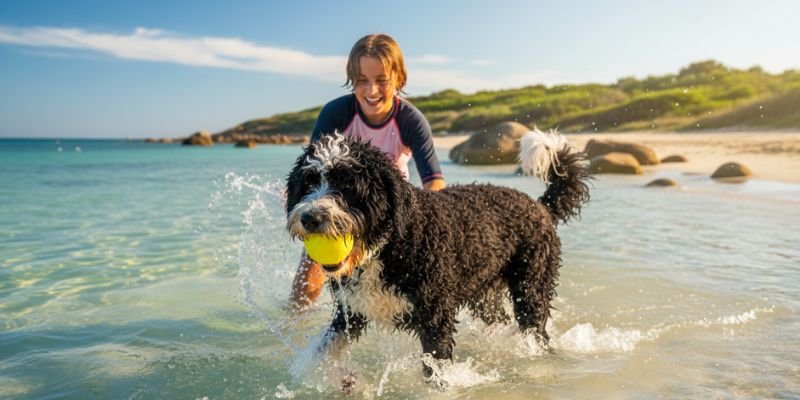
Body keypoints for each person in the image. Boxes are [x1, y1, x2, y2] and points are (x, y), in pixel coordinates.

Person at [289, 33, 446, 309]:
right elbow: (311, 168)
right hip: (337, 205)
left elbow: (434, 183)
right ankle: (295, 325)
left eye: (382, 80)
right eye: (362, 80)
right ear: (352, 80)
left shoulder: (410, 120)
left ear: (399, 79)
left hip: (384, 212)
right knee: (308, 277)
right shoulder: (336, 113)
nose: (372, 91)